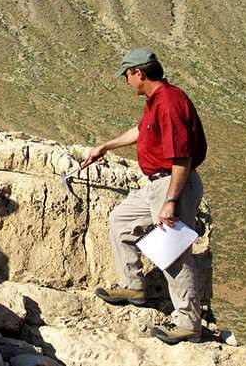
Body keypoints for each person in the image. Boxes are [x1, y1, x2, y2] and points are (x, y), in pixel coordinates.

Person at [81, 48, 208, 344]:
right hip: (156, 184)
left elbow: (182, 159)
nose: (126, 81)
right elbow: (141, 131)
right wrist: (105, 146)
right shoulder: (155, 102)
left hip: (173, 183)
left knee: (172, 251)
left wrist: (171, 201)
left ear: (139, 72)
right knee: (121, 221)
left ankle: (188, 321)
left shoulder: (169, 103)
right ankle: (133, 285)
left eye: (127, 75)